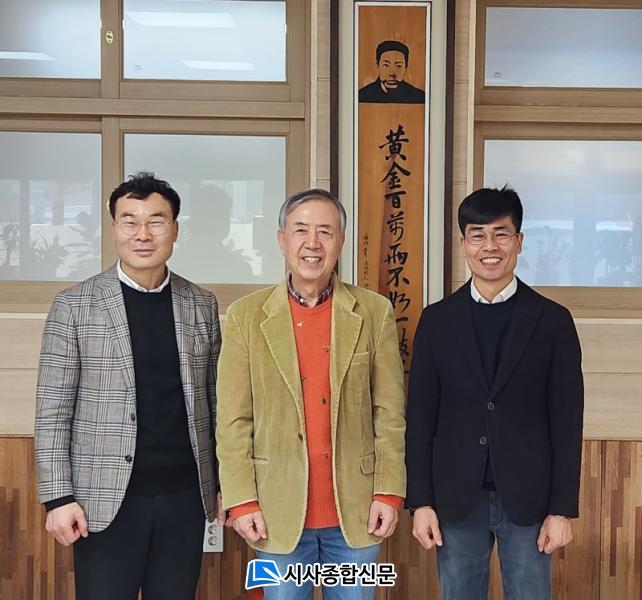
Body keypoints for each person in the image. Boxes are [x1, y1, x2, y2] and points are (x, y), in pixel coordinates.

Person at [35, 172, 224, 600]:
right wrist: (57, 498)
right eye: (130, 221)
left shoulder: (201, 304)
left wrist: (222, 485)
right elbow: (52, 410)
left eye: (156, 221)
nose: (143, 234)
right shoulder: (74, 305)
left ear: (175, 229)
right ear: (114, 228)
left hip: (184, 498)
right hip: (103, 501)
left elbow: (215, 403)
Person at [216, 188, 406, 599]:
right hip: (275, 510)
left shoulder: (373, 312)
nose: (312, 243)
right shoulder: (246, 316)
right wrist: (241, 500)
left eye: (325, 231)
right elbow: (233, 420)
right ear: (282, 239)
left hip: (356, 511)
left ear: (341, 241)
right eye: (301, 230)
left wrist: (388, 491)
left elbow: (389, 413)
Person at [405, 186, 584, 600]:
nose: (490, 246)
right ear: (463, 244)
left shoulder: (553, 321)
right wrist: (421, 502)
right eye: (477, 235)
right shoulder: (436, 321)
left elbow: (567, 421)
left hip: (529, 499)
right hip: (456, 498)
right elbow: (421, 420)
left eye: (501, 234)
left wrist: (562, 509)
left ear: (519, 241)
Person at [359, 40, 425, 104]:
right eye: (386, 65)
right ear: (377, 66)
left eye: (398, 66)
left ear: (406, 68)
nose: (392, 73)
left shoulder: (419, 97)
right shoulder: (362, 96)